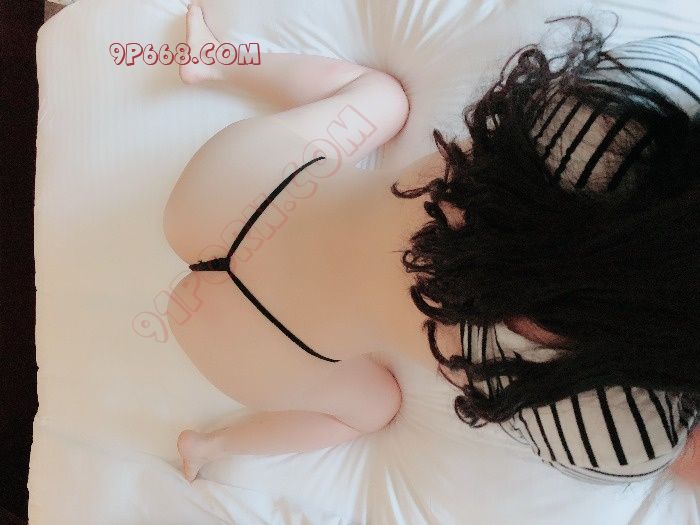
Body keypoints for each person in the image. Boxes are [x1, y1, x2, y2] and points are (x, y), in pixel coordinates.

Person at [163, 5, 698, 486]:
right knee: (375, 408)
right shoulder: (621, 424)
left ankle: (215, 60)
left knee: (382, 97)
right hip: (243, 345)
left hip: (228, 188)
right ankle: (209, 446)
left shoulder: (639, 124)